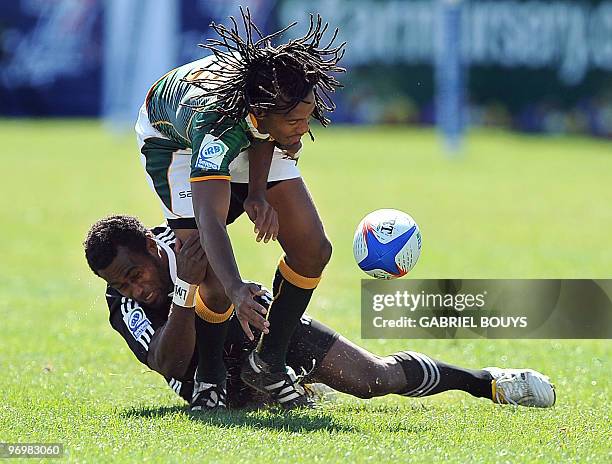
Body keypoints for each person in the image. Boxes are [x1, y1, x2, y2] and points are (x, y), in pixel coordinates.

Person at [83, 215, 557, 410]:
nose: (134, 289)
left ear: (149, 246)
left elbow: (226, 286)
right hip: (209, 384)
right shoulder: (122, 302)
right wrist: (184, 290)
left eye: (133, 274)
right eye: (120, 284)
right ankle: (287, 383)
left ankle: (488, 382)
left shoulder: (185, 239)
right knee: (280, 413)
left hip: (259, 333)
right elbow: (167, 362)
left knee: (373, 379)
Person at [135, 8, 345, 409]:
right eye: (297, 120)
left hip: (246, 120)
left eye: (308, 115)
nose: (305, 127)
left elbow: (261, 130)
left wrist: (258, 193)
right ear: (265, 112)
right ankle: (209, 378)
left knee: (313, 248)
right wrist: (235, 288)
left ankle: (268, 362)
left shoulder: (270, 95)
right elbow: (210, 219)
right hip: (174, 144)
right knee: (207, 268)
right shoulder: (214, 127)